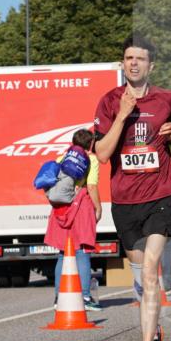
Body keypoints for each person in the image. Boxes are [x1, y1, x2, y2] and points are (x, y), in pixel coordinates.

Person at [95, 35, 171, 341]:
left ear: (151, 66)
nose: (134, 63)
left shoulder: (167, 99)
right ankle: (155, 332)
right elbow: (102, 154)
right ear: (122, 63)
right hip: (125, 201)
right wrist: (122, 116)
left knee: (150, 274)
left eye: (140, 58)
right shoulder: (109, 102)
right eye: (128, 57)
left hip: (161, 196)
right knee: (139, 280)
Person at [45, 129, 102, 310]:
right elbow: (91, 186)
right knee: (82, 251)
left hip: (61, 208)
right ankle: (85, 297)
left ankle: (58, 297)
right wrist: (98, 208)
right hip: (80, 206)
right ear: (90, 144)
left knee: (63, 253)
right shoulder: (90, 159)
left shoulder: (63, 158)